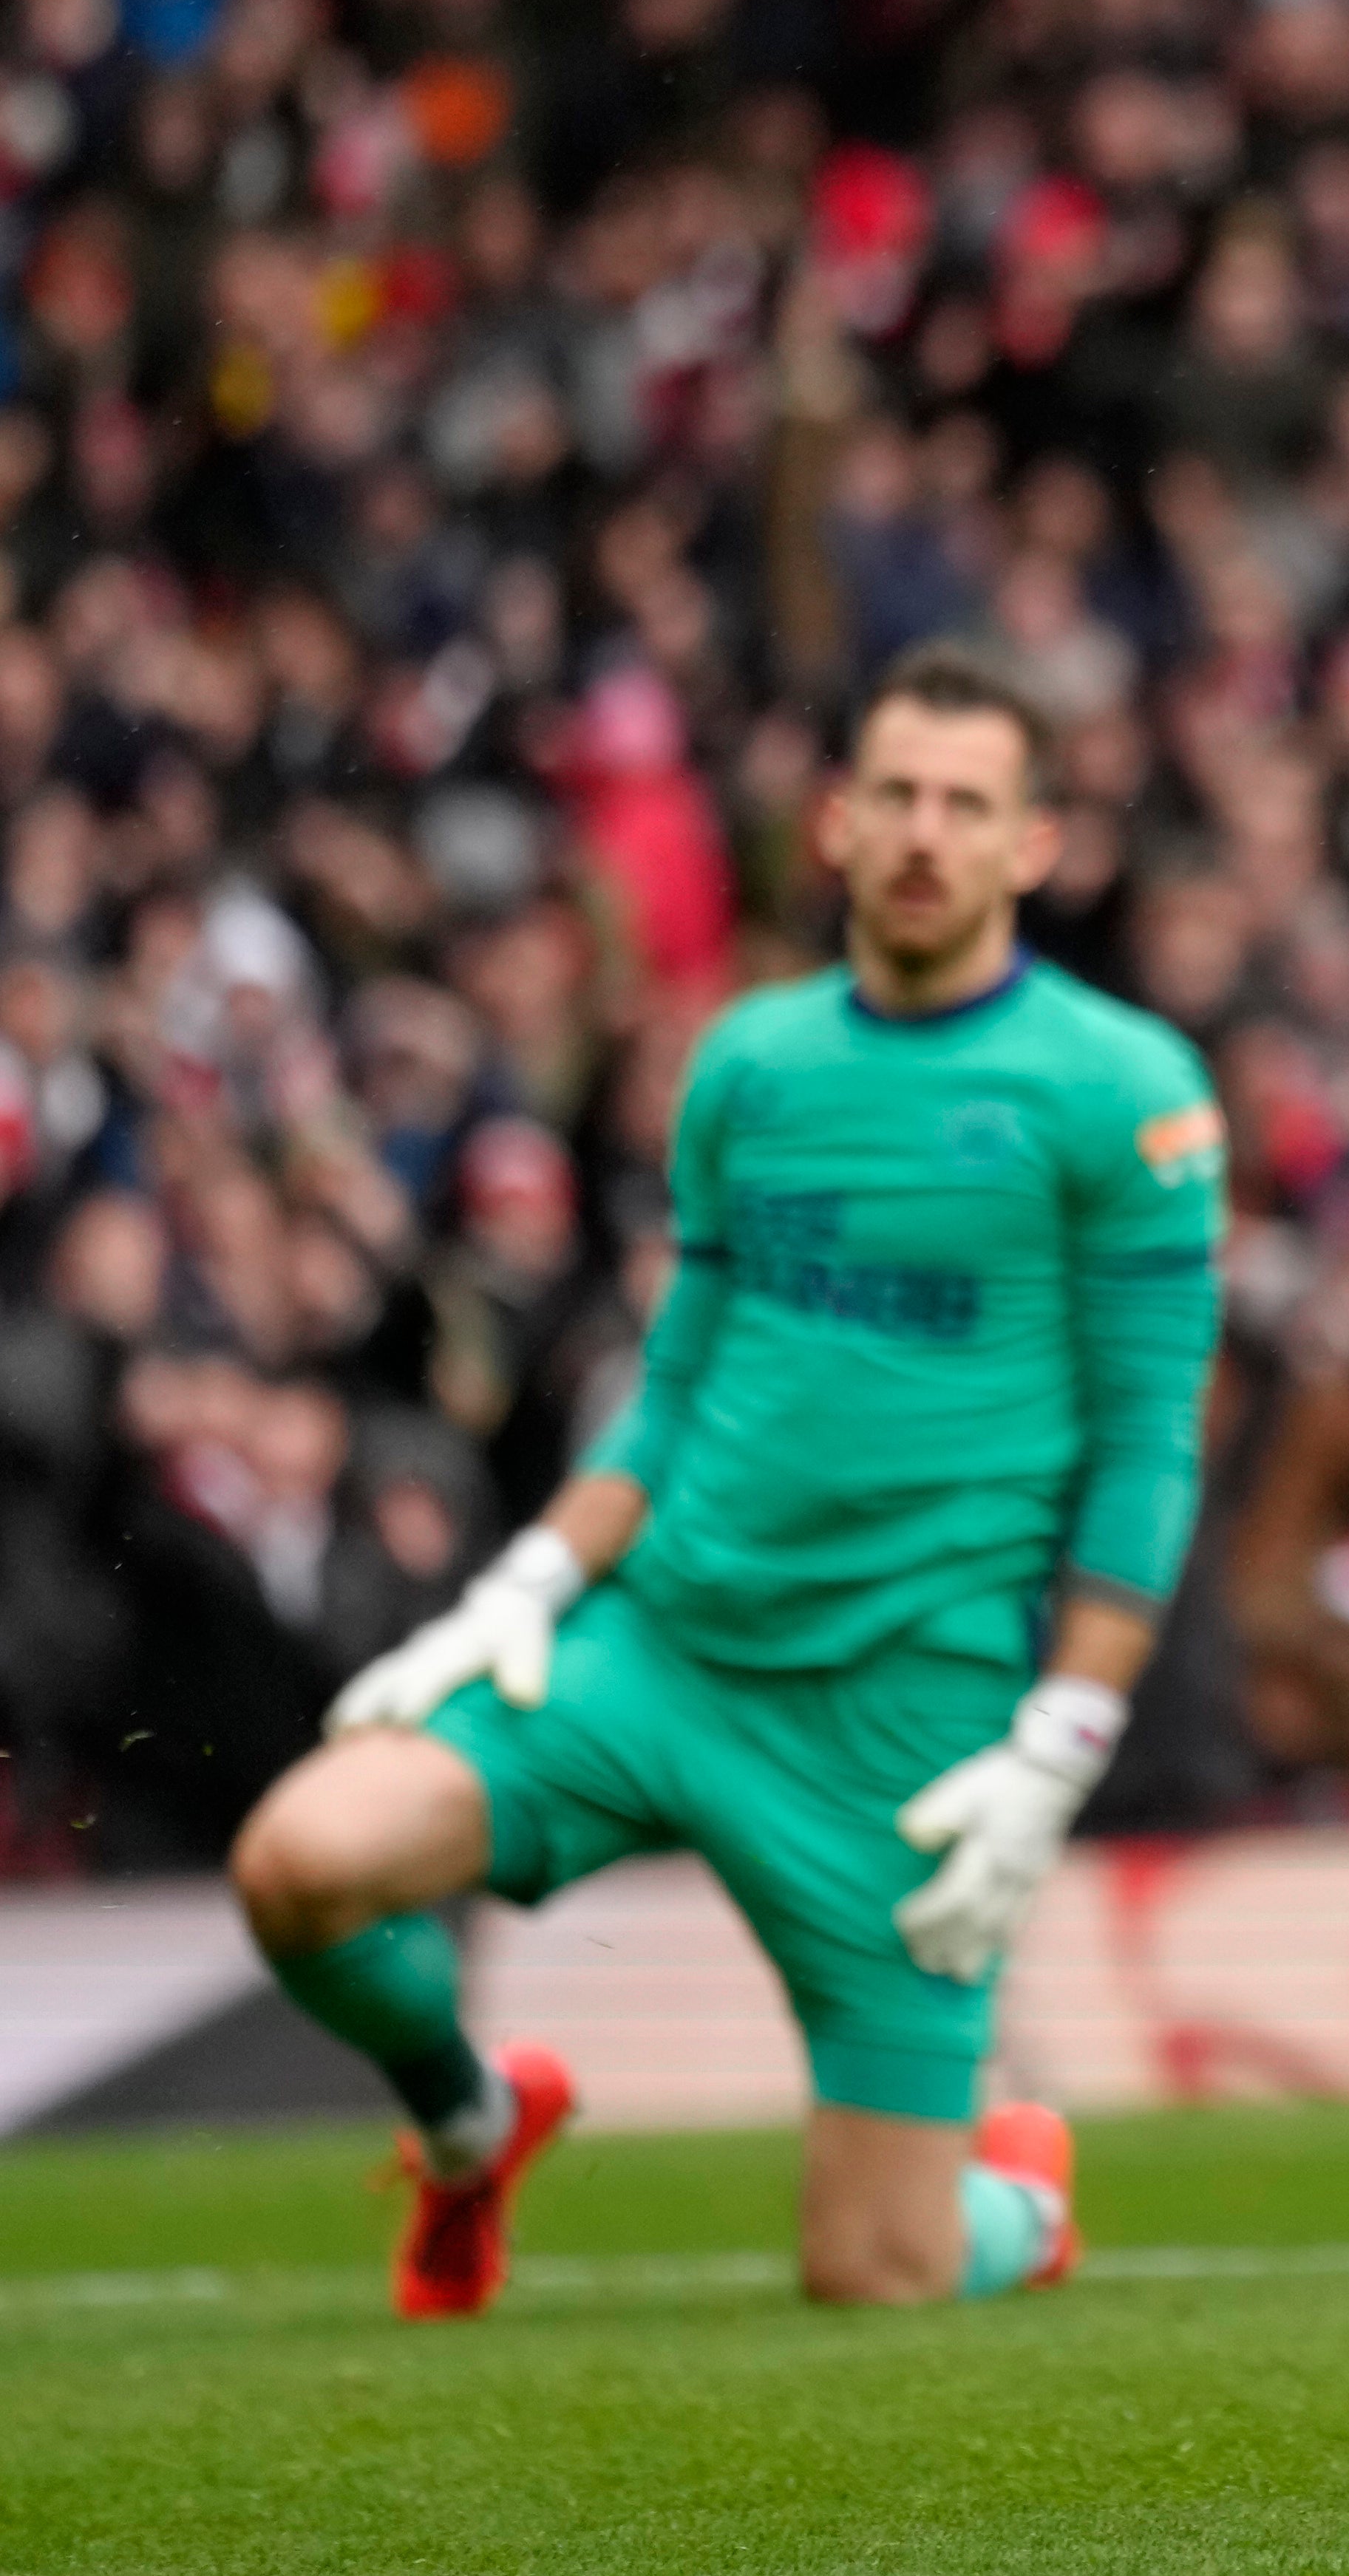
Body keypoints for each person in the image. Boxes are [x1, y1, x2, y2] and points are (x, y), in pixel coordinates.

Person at [224, 644, 1224, 2317]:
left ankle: (1017, 2210)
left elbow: (1146, 1449)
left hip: (901, 1726)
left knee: (880, 2271)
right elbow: (677, 1380)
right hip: (662, 1650)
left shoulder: (1123, 1092)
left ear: (1031, 846)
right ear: (833, 821)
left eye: (966, 804)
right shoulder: (750, 1064)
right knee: (301, 1862)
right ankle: (472, 2131)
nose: (923, 832)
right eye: (894, 794)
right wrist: (527, 1583)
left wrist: (1061, 1742)